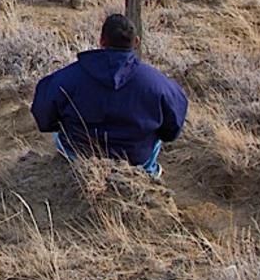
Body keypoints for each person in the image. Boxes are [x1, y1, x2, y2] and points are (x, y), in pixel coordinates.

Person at [31, 14, 188, 179]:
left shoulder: (67, 77)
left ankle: (70, 173)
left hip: (79, 155)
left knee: (59, 136)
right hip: (135, 159)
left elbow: (44, 117)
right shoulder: (159, 84)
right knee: (155, 141)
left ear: (102, 40)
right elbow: (172, 130)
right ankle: (147, 178)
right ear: (136, 42)